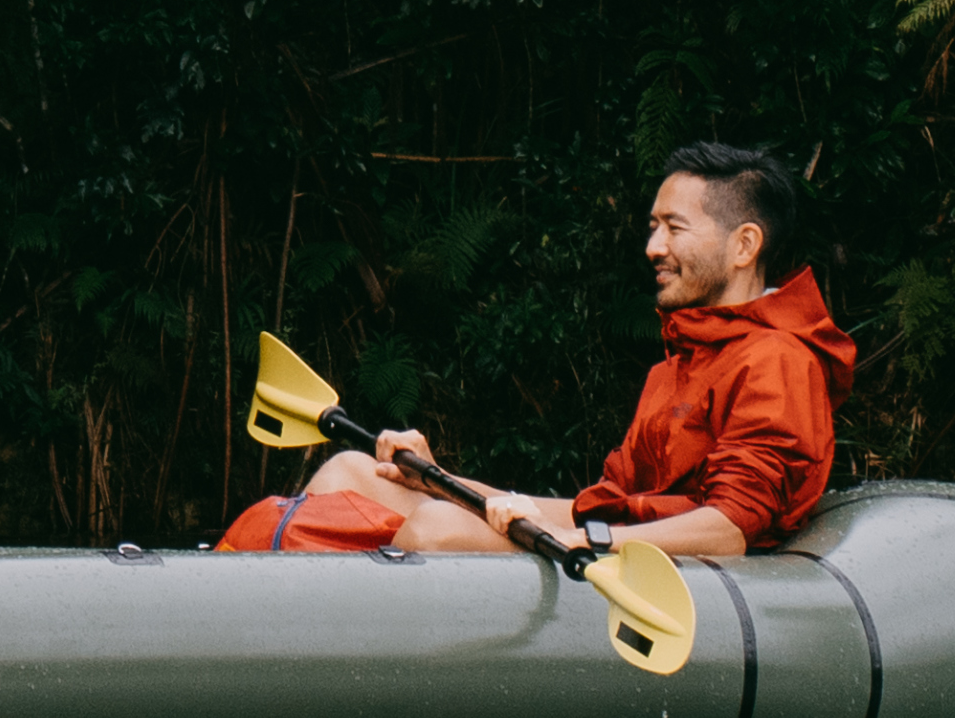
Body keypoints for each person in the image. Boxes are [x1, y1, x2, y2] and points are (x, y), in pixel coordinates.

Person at [215, 144, 853, 560]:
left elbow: (730, 531)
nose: (653, 248)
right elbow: (596, 502)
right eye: (652, 227)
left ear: (744, 245)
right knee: (356, 473)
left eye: (674, 228)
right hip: (606, 542)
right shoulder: (679, 363)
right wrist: (447, 482)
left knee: (436, 533)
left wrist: (578, 540)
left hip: (690, 583)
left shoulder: (778, 360)